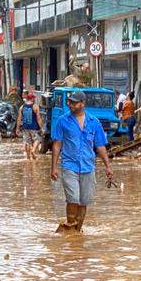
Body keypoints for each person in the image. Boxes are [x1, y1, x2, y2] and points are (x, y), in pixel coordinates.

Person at [50, 90, 114, 232]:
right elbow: (57, 144)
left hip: (88, 166)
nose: (70, 105)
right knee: (73, 199)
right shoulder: (62, 121)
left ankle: (77, 231)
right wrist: (53, 167)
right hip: (69, 165)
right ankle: (70, 227)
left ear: (82, 104)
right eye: (69, 102)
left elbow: (100, 146)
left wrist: (108, 166)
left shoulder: (94, 122)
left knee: (84, 202)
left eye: (73, 103)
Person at [17, 91, 44, 160]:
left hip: (25, 127)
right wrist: (41, 128)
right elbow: (38, 118)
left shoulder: (22, 107)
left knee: (27, 141)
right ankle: (33, 150)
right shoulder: (35, 106)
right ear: (32, 99)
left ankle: (28, 157)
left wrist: (17, 128)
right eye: (34, 98)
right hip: (34, 127)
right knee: (37, 139)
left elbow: (19, 119)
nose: (34, 99)